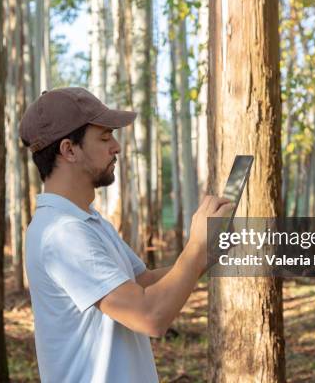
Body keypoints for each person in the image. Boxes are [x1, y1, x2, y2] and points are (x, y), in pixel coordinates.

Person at [19, 87, 233, 383]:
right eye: (105, 138)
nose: (116, 147)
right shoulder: (63, 233)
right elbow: (149, 316)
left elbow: (142, 283)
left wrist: (208, 253)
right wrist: (195, 248)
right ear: (69, 150)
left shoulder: (87, 221)